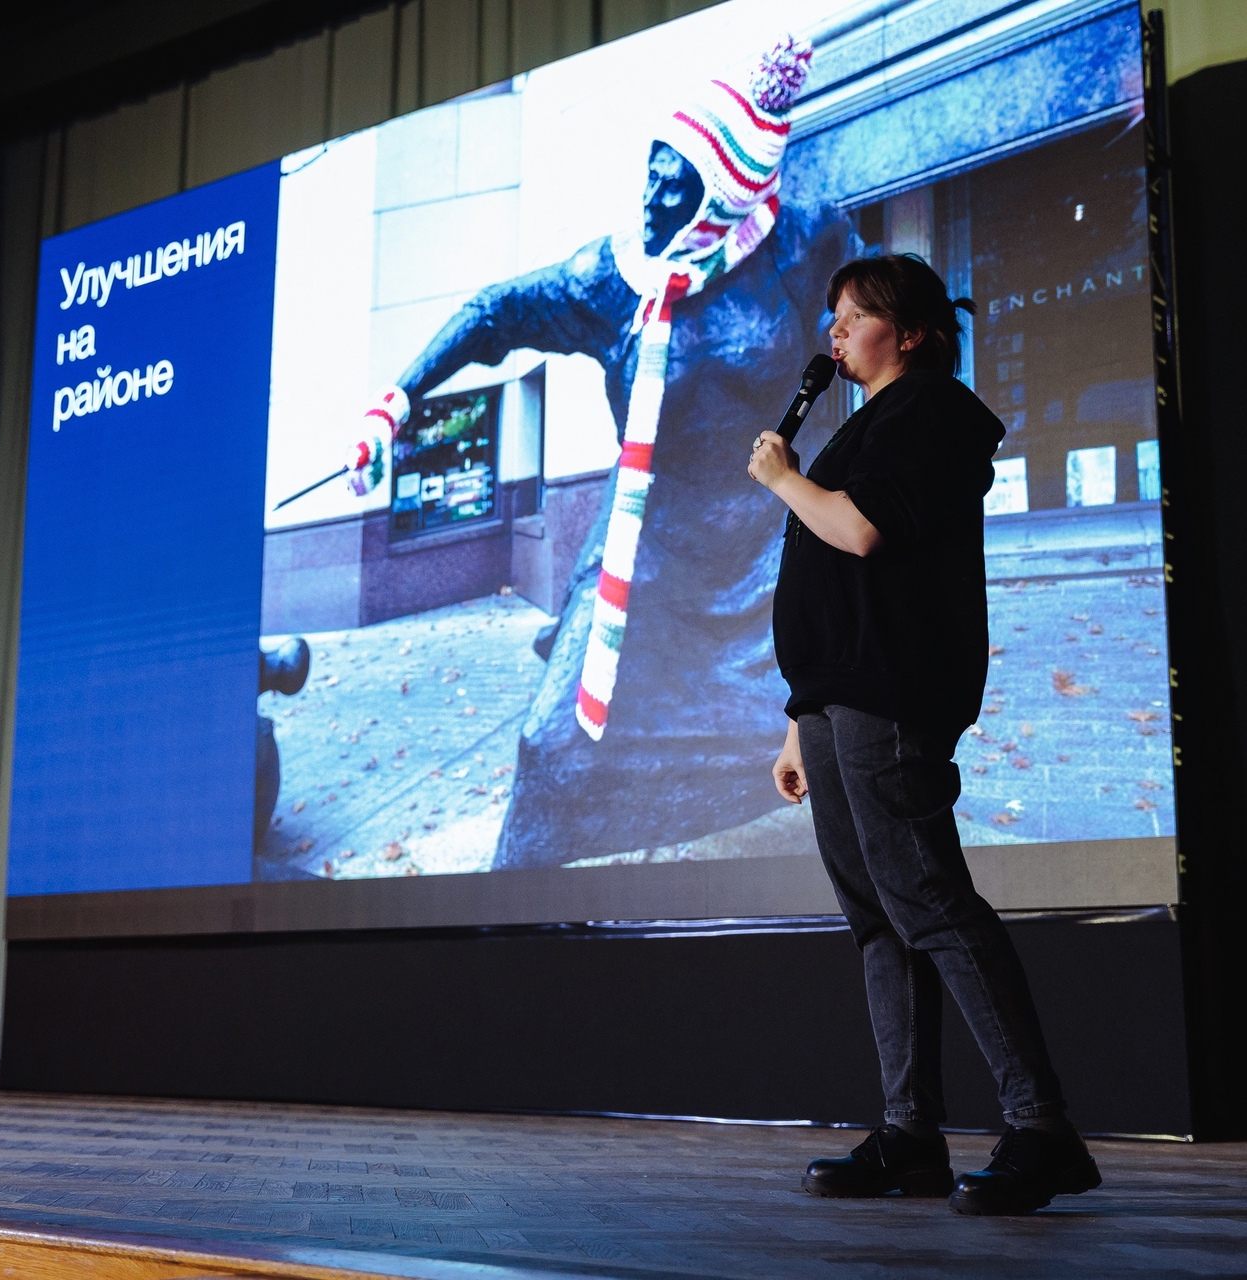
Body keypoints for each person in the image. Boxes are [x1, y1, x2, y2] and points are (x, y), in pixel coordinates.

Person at [333, 37, 851, 868]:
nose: (651, 197)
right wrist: (396, 404)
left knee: (805, 734)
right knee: (552, 745)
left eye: (674, 185)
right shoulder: (614, 282)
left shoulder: (797, 243)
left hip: (769, 541)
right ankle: (507, 918)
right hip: (648, 543)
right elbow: (495, 313)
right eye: (650, 172)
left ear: (722, 194)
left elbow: (863, 326)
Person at [748, 253, 1101, 1215]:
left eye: (854, 315)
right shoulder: (867, 424)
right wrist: (800, 718)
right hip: (834, 698)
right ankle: (910, 1137)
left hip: (890, 692)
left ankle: (1042, 1129)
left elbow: (862, 532)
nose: (835, 332)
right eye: (832, 317)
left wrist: (784, 480)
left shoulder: (933, 412)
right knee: (878, 917)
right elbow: (834, 582)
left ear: (908, 332)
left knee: (929, 901)